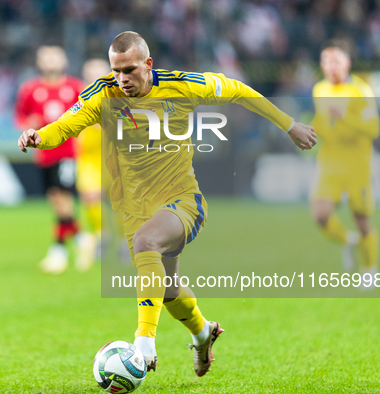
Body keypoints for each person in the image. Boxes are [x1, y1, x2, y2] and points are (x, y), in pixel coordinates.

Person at [18, 31, 316, 376]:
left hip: (182, 201)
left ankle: (144, 342)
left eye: (129, 70)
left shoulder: (182, 85)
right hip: (135, 209)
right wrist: (40, 137)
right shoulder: (103, 93)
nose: (122, 79)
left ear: (148, 64)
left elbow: (239, 91)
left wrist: (289, 124)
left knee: (148, 243)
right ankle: (204, 333)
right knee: (169, 289)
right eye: (116, 70)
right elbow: (67, 125)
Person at [311, 40, 380, 280]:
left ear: (347, 63)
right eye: (326, 61)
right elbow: (322, 121)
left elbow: (373, 129)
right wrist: (309, 130)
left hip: (356, 164)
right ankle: (348, 241)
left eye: (336, 61)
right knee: (320, 215)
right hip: (330, 161)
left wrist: (345, 118)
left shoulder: (361, 90)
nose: (332, 67)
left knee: (362, 219)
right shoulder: (319, 89)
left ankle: (369, 270)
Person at [14, 46, 85, 274]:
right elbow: (20, 118)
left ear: (63, 60)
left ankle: (59, 250)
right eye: (46, 57)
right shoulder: (31, 89)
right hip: (43, 154)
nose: (51, 61)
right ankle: (83, 237)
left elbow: (88, 116)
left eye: (55, 57)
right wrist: (28, 124)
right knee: (56, 199)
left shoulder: (75, 87)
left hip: (67, 153)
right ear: (39, 62)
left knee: (63, 198)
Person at [74, 58, 111, 271]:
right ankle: (100, 234)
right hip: (86, 157)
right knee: (90, 197)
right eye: (91, 74)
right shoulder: (78, 95)